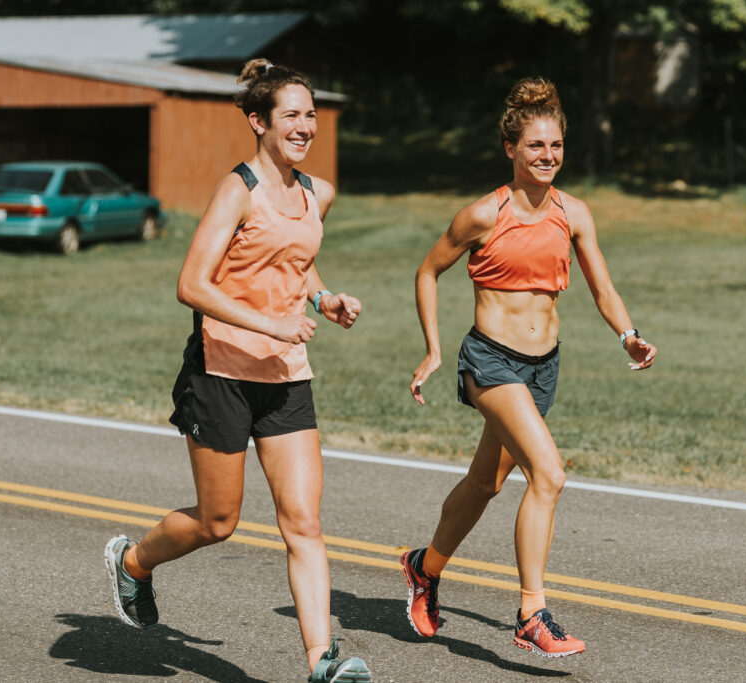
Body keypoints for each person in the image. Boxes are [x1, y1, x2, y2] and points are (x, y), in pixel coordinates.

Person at [103, 60, 372, 683]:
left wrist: (320, 299)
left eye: (310, 114)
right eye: (291, 115)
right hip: (220, 372)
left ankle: (322, 662)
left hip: (285, 376)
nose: (304, 126)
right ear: (259, 122)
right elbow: (191, 284)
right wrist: (270, 324)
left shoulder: (316, 193)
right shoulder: (238, 190)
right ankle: (135, 563)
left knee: (304, 522)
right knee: (217, 521)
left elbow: (292, 263)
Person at [403, 76, 657, 658]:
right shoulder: (483, 215)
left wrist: (629, 335)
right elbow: (426, 270)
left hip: (544, 367)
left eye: (556, 146)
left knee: (486, 482)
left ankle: (425, 566)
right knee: (549, 473)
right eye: (535, 146)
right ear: (511, 150)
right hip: (490, 361)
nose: (547, 157)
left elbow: (603, 288)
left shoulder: (574, 214)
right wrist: (436, 349)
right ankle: (531, 613)